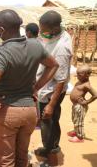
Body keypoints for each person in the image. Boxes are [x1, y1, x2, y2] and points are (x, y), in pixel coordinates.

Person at [0, 9, 59, 167]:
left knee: (6, 161)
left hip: (7, 113)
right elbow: (54, 65)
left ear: (0, 29)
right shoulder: (35, 45)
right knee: (22, 157)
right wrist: (35, 88)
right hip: (30, 111)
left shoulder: (2, 53)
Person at [35, 10, 73, 160]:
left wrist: (51, 104)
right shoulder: (55, 34)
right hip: (46, 87)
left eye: (43, 28)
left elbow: (61, 79)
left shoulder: (62, 48)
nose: (41, 31)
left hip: (52, 92)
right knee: (52, 122)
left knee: (48, 123)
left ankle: (50, 155)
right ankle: (53, 147)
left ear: (54, 28)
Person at [68, 65, 97, 143]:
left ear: (87, 75)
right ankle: (76, 131)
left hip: (80, 106)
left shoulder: (86, 85)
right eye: (77, 74)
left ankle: (80, 137)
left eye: (79, 74)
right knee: (74, 119)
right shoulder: (80, 81)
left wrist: (86, 102)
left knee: (79, 121)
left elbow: (95, 95)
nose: (77, 76)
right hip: (75, 105)